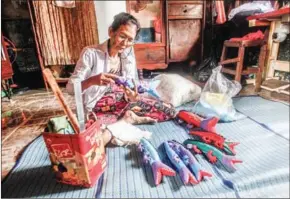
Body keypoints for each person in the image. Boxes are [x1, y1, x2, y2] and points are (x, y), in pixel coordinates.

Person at [67, 12, 175, 145]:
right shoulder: (91, 53)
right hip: (98, 108)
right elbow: (70, 88)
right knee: (94, 140)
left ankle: (126, 118)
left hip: (123, 103)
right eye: (122, 36)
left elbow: (131, 84)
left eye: (130, 39)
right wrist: (92, 80)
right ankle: (126, 120)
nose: (125, 43)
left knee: (169, 110)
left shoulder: (127, 54)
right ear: (111, 32)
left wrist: (133, 97)